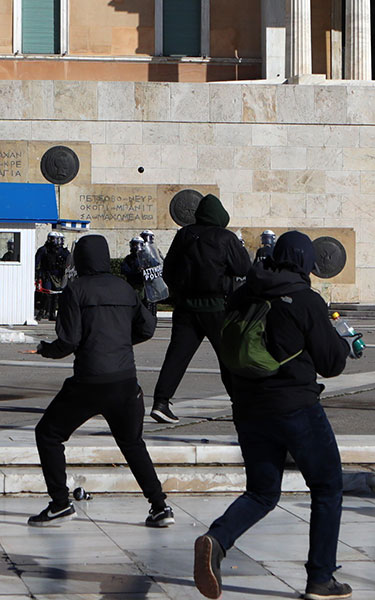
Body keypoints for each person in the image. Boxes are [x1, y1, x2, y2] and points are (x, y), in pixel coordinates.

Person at [193, 231, 352, 600]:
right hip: (296, 407)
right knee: (327, 488)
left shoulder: (242, 293)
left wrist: (241, 401)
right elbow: (331, 363)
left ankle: (216, 540)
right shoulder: (304, 299)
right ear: (305, 263)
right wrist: (343, 343)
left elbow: (227, 354)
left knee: (262, 492)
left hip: (249, 409)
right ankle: (321, 578)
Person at [30, 234, 174, 528]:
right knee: (132, 443)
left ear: (80, 259)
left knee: (48, 434)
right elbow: (147, 328)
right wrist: (120, 341)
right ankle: (160, 507)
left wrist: (45, 349)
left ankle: (60, 503)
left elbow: (68, 341)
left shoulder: (76, 290)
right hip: (125, 382)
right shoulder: (124, 288)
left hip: (90, 381)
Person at [152, 194, 251, 424]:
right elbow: (243, 267)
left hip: (186, 307)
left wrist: (180, 292)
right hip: (216, 306)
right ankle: (239, 405)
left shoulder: (185, 234)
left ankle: (161, 402)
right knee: (228, 358)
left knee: (177, 356)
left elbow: (169, 270)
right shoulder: (225, 238)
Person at [35, 231, 70, 321]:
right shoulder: (44, 249)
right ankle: (41, 312)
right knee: (47, 293)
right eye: (55, 239)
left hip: (58, 275)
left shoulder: (62, 251)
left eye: (59, 239)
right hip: (47, 274)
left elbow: (69, 260)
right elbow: (36, 262)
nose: (58, 241)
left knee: (56, 294)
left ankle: (52, 313)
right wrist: (37, 273)